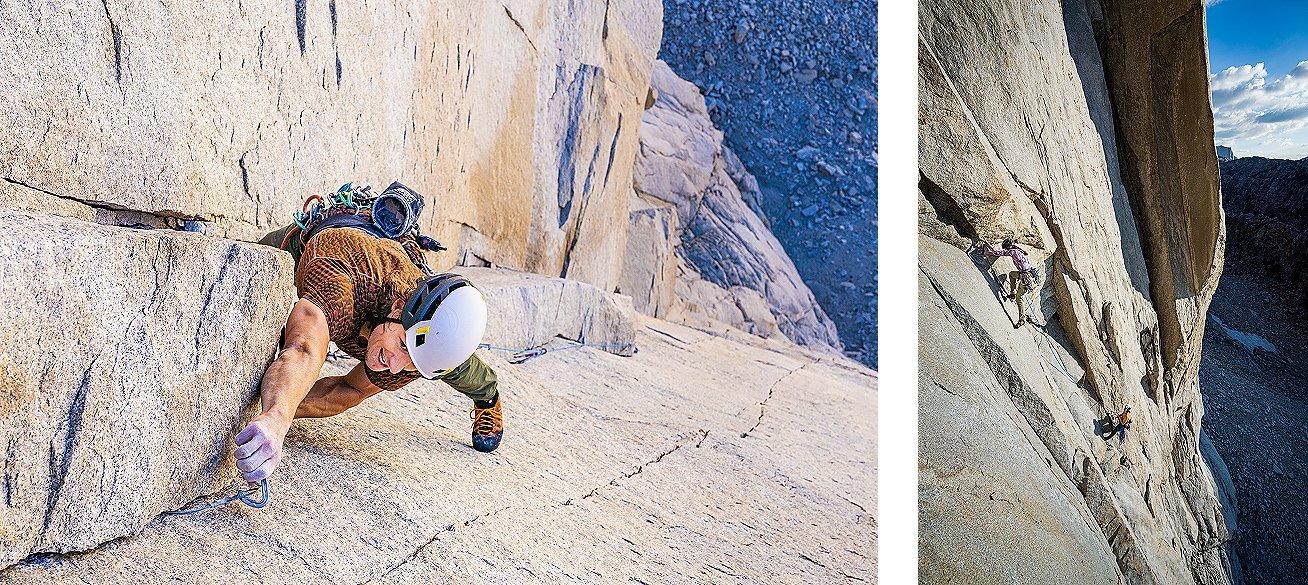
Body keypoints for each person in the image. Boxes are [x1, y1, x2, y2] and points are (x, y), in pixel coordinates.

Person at [233, 187, 503, 484]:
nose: (394, 365)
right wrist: (277, 417)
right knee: (242, 268)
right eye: (401, 345)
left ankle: (489, 398)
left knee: (460, 365)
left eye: (410, 363)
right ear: (400, 306)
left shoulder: (420, 349)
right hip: (334, 250)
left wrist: (268, 411)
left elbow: (350, 390)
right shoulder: (342, 271)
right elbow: (304, 347)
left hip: (410, 309)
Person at [982, 238, 1037, 328]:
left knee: (1019, 298)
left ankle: (1022, 319)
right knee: (1012, 274)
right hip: (1028, 274)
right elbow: (1022, 251)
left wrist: (988, 250)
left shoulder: (1012, 252)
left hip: (1025, 277)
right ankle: (1012, 293)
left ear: (1008, 247)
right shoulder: (1019, 250)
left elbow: (999, 253)